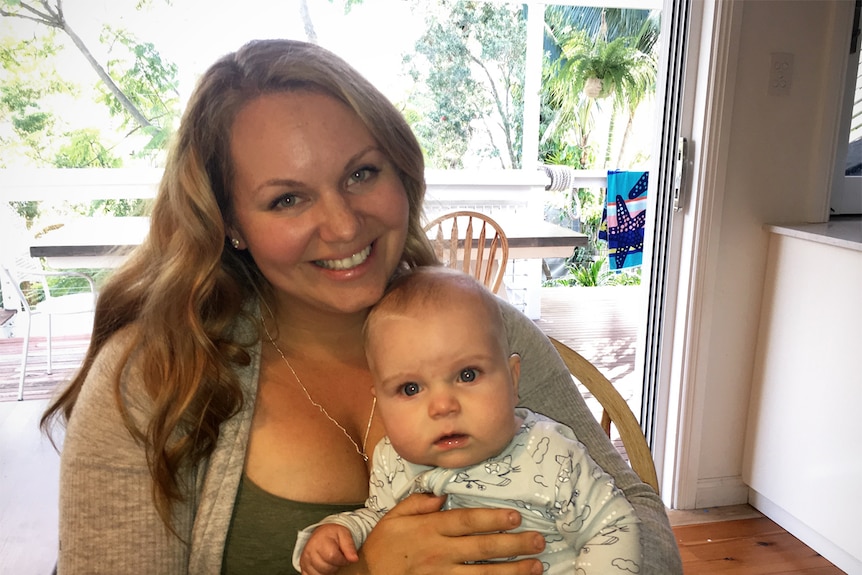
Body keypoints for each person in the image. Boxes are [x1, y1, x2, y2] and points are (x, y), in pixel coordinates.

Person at [40, 38, 682, 574]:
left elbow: (637, 518)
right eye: (287, 199)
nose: (344, 226)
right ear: (229, 221)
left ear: (402, 171)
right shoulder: (154, 380)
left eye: (361, 173)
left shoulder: (490, 327)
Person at [295, 267, 642, 575]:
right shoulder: (394, 461)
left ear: (513, 380)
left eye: (467, 374)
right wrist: (341, 532)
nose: (443, 406)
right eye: (411, 388)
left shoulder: (550, 452)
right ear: (381, 404)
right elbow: (381, 521)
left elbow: (613, 527)